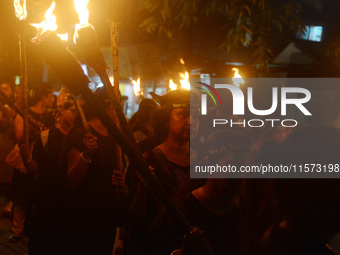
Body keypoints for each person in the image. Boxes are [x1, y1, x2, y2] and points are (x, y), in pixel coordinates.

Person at [150, 130, 252, 255]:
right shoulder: (178, 214)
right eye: (234, 165)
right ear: (209, 164)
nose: (242, 174)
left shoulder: (249, 211)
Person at [128, 89, 201, 254]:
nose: (190, 121)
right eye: (183, 114)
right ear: (166, 119)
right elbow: (134, 218)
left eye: (195, 115)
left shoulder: (205, 160)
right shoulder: (148, 160)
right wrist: (141, 189)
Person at [64, 87, 127, 255]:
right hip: (85, 218)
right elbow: (72, 181)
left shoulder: (116, 136)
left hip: (108, 217)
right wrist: (86, 155)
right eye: (120, 105)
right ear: (109, 107)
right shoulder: (82, 135)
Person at [20, 96, 77, 255]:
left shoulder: (79, 140)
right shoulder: (47, 136)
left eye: (78, 112)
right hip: (46, 203)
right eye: (72, 111)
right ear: (63, 110)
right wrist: (27, 158)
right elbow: (34, 167)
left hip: (69, 205)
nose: (75, 115)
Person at [8, 83, 56, 243]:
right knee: (21, 195)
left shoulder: (52, 117)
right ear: (43, 97)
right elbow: (20, 137)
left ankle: (32, 228)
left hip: (43, 160)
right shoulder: (25, 114)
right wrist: (34, 132)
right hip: (27, 156)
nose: (53, 100)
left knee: (36, 196)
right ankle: (17, 231)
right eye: (50, 97)